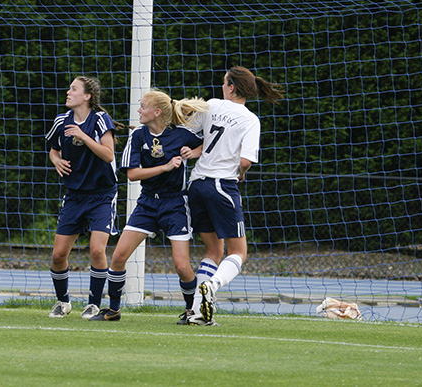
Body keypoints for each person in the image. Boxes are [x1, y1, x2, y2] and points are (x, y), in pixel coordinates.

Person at [89, 90, 207, 322]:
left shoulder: (182, 134)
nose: (139, 110)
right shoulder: (138, 135)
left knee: (182, 266)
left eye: (143, 106)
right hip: (146, 204)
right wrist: (164, 167)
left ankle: (191, 311)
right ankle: (113, 310)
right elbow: (132, 174)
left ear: (157, 112)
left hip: (175, 204)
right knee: (119, 257)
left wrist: (192, 153)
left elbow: (207, 146)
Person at [185, 66, 284, 326]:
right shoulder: (250, 119)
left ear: (231, 87)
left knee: (213, 250)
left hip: (196, 185)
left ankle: (197, 312)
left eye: (223, 82)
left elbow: (192, 129)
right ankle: (213, 286)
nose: (221, 87)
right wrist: (241, 172)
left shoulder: (213, 105)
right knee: (239, 251)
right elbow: (246, 160)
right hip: (221, 186)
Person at [45, 76, 118, 319]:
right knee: (58, 254)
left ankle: (93, 304)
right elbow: (53, 149)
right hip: (74, 195)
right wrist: (56, 161)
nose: (68, 92)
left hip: (102, 195)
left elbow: (108, 155)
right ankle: (63, 302)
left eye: (73, 89)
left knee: (97, 250)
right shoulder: (61, 121)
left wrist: (84, 137)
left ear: (87, 96)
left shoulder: (99, 120)